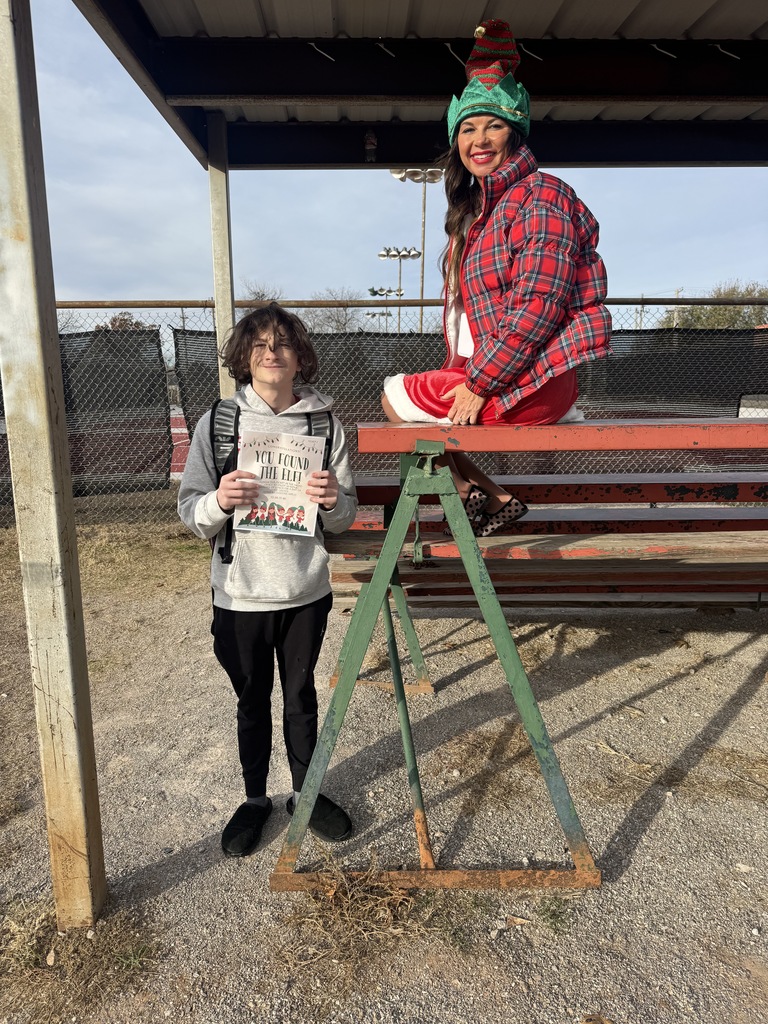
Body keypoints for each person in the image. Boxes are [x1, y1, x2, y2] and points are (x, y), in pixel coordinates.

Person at [382, 19, 612, 537]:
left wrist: (480, 384)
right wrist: (469, 374)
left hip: (536, 380)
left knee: (396, 399)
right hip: (516, 374)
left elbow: (539, 305)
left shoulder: (542, 196)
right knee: (414, 412)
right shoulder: (480, 213)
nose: (479, 139)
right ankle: (492, 497)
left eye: (493, 126)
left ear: (516, 131)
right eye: (467, 128)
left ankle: (472, 495)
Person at [178, 303, 358, 858]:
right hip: (239, 593)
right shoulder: (220, 422)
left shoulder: (327, 425)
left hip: (305, 590)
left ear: (300, 355)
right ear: (244, 358)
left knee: (301, 697)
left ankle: (304, 794)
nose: (271, 352)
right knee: (252, 700)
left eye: (282, 342)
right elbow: (189, 509)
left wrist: (331, 503)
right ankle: (255, 799)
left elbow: (346, 513)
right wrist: (219, 502)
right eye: (259, 344)